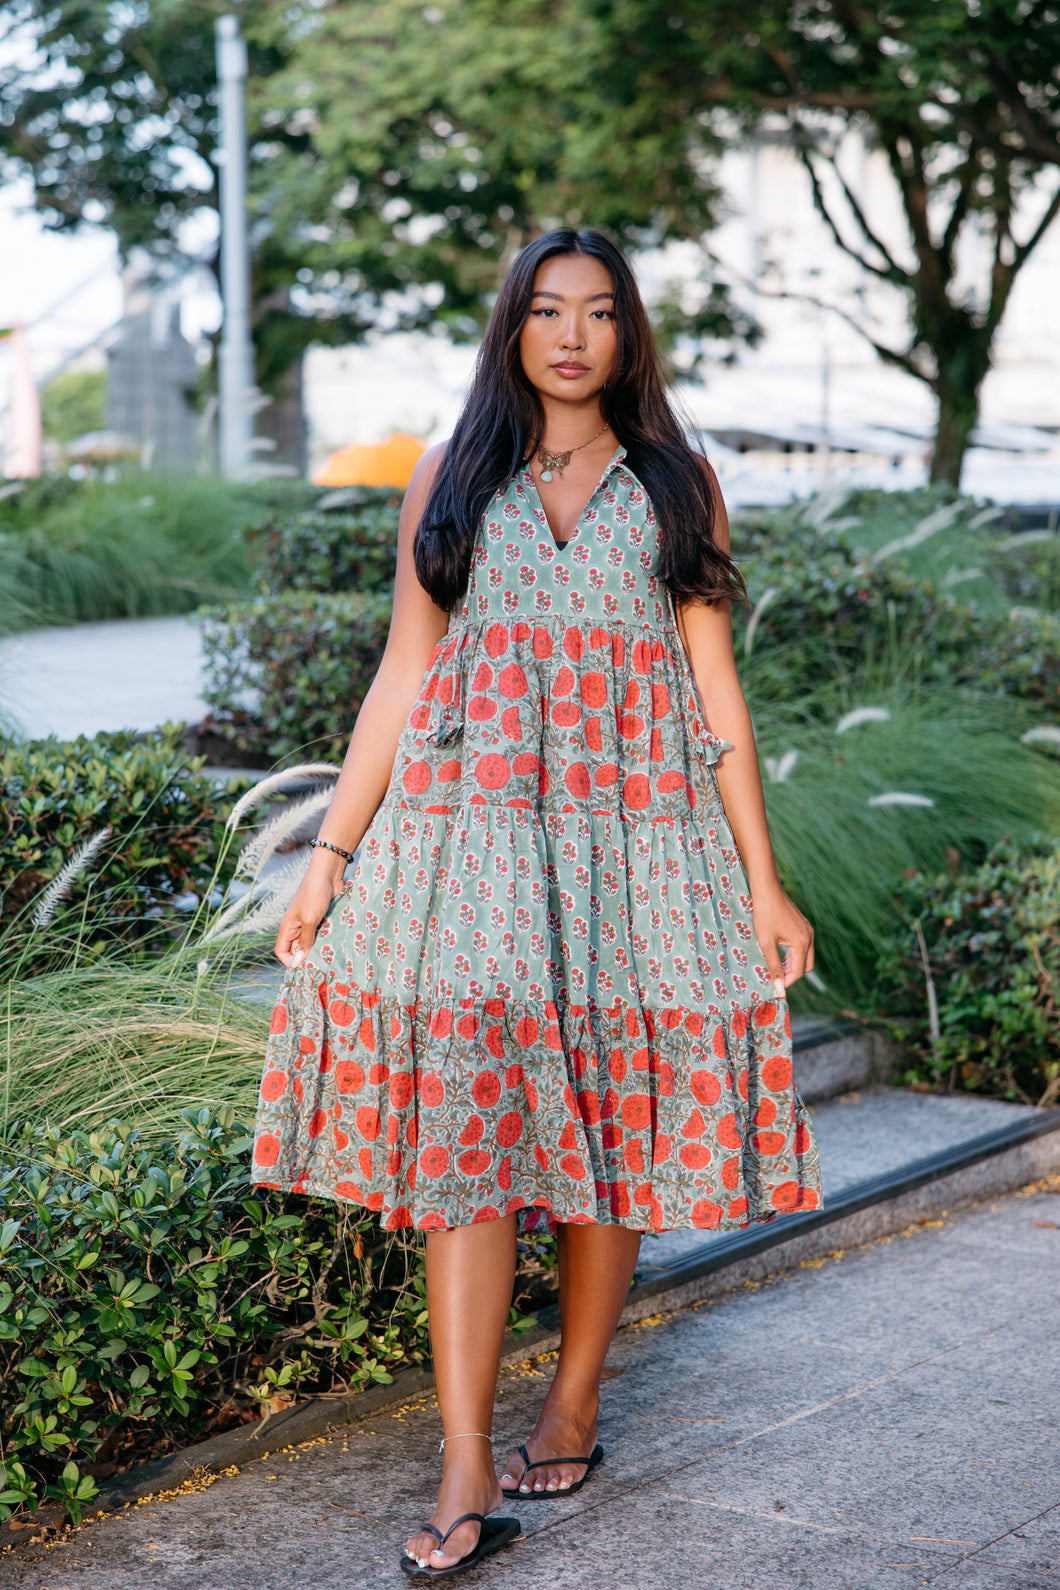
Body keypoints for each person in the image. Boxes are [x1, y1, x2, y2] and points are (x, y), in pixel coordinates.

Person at [252, 228, 821, 1579]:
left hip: (633, 845)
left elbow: (712, 694)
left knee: (608, 1113)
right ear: (511, 328)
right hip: (470, 850)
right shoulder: (452, 476)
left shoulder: (680, 482)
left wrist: (762, 876)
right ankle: (462, 1459)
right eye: (546, 310)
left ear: (628, 335)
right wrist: (332, 851)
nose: (572, 334)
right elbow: (405, 669)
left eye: (600, 311)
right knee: (469, 1124)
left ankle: (573, 1400)